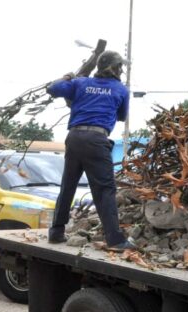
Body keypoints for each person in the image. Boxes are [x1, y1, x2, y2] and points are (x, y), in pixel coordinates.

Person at [47, 50, 136, 252]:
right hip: (97, 139)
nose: (121, 69)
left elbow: (52, 89)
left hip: (74, 138)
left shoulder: (81, 83)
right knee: (105, 190)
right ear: (115, 68)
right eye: (120, 66)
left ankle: (56, 232)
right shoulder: (120, 89)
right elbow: (122, 116)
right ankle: (115, 240)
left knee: (68, 185)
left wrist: (68, 77)